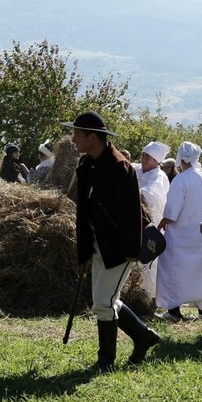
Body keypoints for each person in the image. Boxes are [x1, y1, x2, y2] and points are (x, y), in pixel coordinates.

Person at [65, 111, 160, 370]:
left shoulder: (120, 167)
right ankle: (143, 336)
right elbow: (85, 210)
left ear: (92, 137)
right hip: (100, 244)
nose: (73, 139)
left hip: (120, 247)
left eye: (77, 134)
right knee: (106, 299)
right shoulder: (87, 163)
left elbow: (131, 213)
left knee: (103, 302)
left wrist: (130, 251)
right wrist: (86, 247)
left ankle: (106, 360)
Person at [156, 142, 202, 321]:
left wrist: (161, 224)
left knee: (172, 270)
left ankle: (174, 310)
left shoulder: (181, 179)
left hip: (181, 235)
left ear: (181, 158)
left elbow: (172, 210)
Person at [136, 141, 171, 297]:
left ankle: (149, 296)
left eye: (148, 157)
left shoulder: (159, 176)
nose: (144, 159)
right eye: (143, 155)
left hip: (151, 223)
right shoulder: (137, 170)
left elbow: (151, 196)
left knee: (149, 259)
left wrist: (132, 192)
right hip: (135, 221)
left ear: (156, 161)